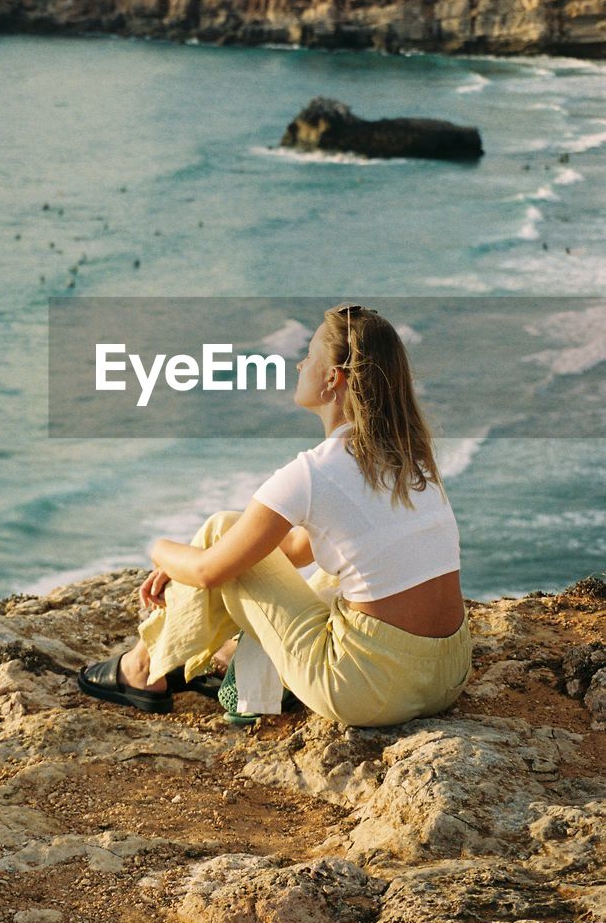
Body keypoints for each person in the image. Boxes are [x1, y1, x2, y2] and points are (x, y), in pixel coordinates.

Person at [78, 304, 472, 727]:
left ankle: (142, 670)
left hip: (369, 692)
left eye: (309, 355)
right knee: (291, 557)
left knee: (221, 533)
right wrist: (192, 566)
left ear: (331, 378)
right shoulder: (412, 460)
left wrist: (161, 551)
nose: (300, 364)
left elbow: (211, 571)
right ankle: (248, 668)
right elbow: (295, 552)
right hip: (448, 676)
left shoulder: (313, 472)